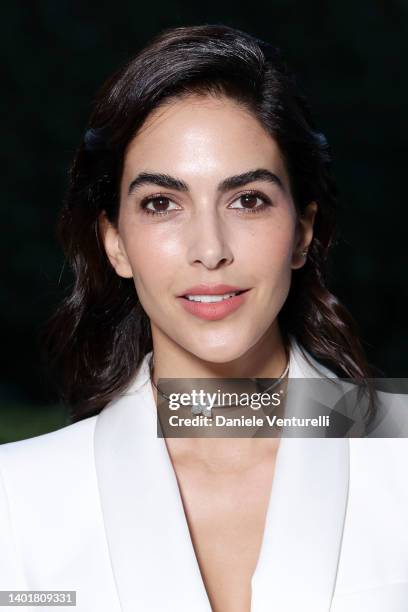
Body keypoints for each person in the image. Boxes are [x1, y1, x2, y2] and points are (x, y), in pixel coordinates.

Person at [1, 24, 407, 612]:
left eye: (248, 199)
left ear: (303, 232)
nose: (209, 248)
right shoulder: (19, 498)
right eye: (162, 203)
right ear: (115, 243)